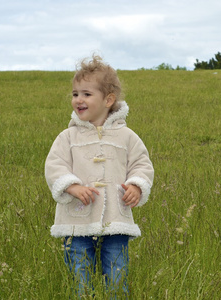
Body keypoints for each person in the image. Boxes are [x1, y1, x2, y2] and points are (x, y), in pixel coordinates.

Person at [45, 55, 154, 297]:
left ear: (108, 100)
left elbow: (141, 164)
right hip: (76, 222)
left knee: (116, 278)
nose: (78, 100)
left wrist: (136, 186)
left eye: (86, 94)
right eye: (75, 94)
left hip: (116, 221)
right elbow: (54, 166)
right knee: (80, 281)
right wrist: (71, 186)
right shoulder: (67, 137)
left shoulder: (126, 136)